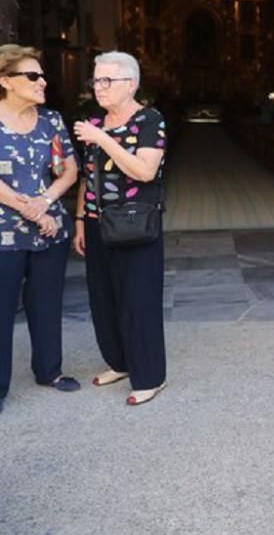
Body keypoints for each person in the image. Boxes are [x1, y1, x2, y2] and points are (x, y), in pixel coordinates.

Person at [73, 51, 168, 406]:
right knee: (104, 299)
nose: (99, 87)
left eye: (107, 80)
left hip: (135, 225)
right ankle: (120, 362)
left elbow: (144, 171)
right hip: (99, 224)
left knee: (137, 301)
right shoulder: (97, 121)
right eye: (96, 80)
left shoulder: (150, 121)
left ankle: (150, 376)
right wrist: (81, 219)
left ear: (131, 84)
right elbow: (87, 177)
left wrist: (103, 139)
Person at [0, 45, 81, 414]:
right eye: (32, 76)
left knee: (46, 302)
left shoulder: (50, 120)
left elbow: (70, 170)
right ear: (5, 81)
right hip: (5, 233)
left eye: (41, 74)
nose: (42, 81)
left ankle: (49, 370)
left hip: (50, 229)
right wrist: (30, 209)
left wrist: (46, 202)